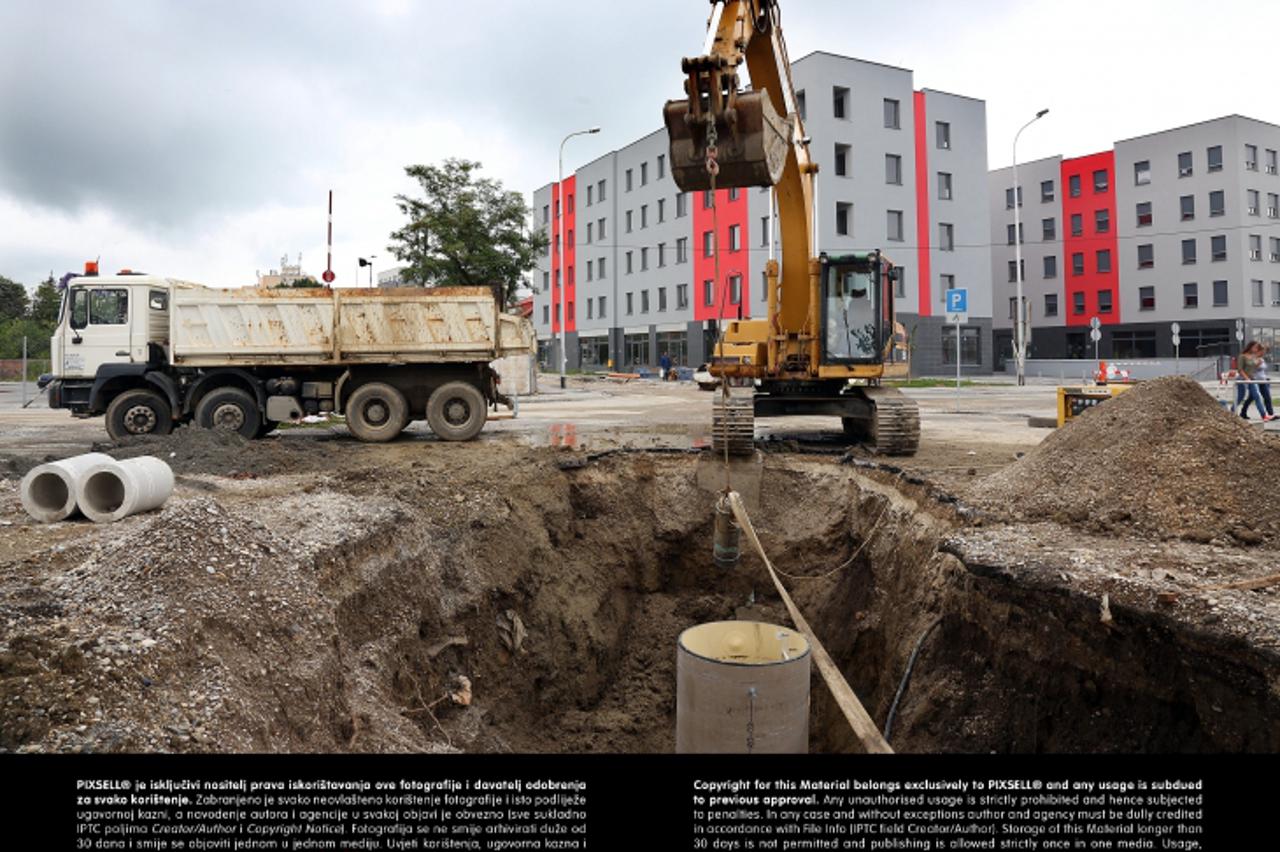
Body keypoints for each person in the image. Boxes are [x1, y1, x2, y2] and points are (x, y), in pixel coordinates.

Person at [1236, 342, 1270, 421]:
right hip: (1242, 379)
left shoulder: (1253, 357)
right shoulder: (1242, 356)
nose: (1256, 349)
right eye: (1255, 347)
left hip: (1251, 379)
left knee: (1257, 396)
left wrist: (1258, 364)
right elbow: (1240, 370)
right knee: (1240, 397)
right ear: (1250, 347)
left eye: (1257, 348)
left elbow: (1253, 368)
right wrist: (1246, 378)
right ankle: (1231, 411)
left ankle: (1264, 415)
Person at [1256, 342, 1276, 421]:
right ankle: (1243, 411)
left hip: (1263, 380)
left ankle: (1271, 414)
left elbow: (1262, 371)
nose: (1264, 353)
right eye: (1263, 351)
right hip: (1255, 381)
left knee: (1267, 397)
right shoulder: (1255, 358)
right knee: (1252, 398)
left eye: (1265, 351)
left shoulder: (1262, 359)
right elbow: (1252, 369)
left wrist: (1265, 378)